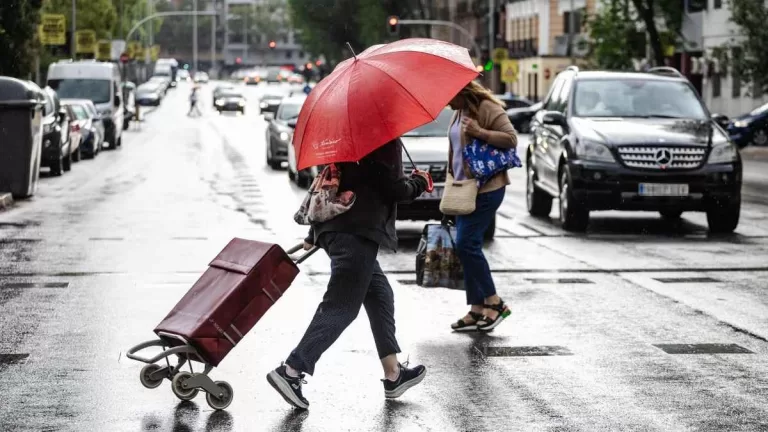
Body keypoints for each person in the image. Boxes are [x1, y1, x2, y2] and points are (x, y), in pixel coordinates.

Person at [267, 139, 430, 410]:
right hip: (356, 235)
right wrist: (419, 183)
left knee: (379, 294)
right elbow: (394, 189)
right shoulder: (384, 142)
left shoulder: (347, 138)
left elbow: (335, 180)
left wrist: (314, 233)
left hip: (336, 230)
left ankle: (393, 374)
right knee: (341, 307)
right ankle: (292, 370)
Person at [446, 81, 518, 332]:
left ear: (461, 91)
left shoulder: (487, 108)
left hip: (487, 188)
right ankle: (477, 308)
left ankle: (495, 302)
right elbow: (456, 153)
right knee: (466, 246)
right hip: (464, 190)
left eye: (449, 96)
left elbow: (511, 139)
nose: (446, 102)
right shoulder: (458, 113)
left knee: (467, 244)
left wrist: (480, 132)